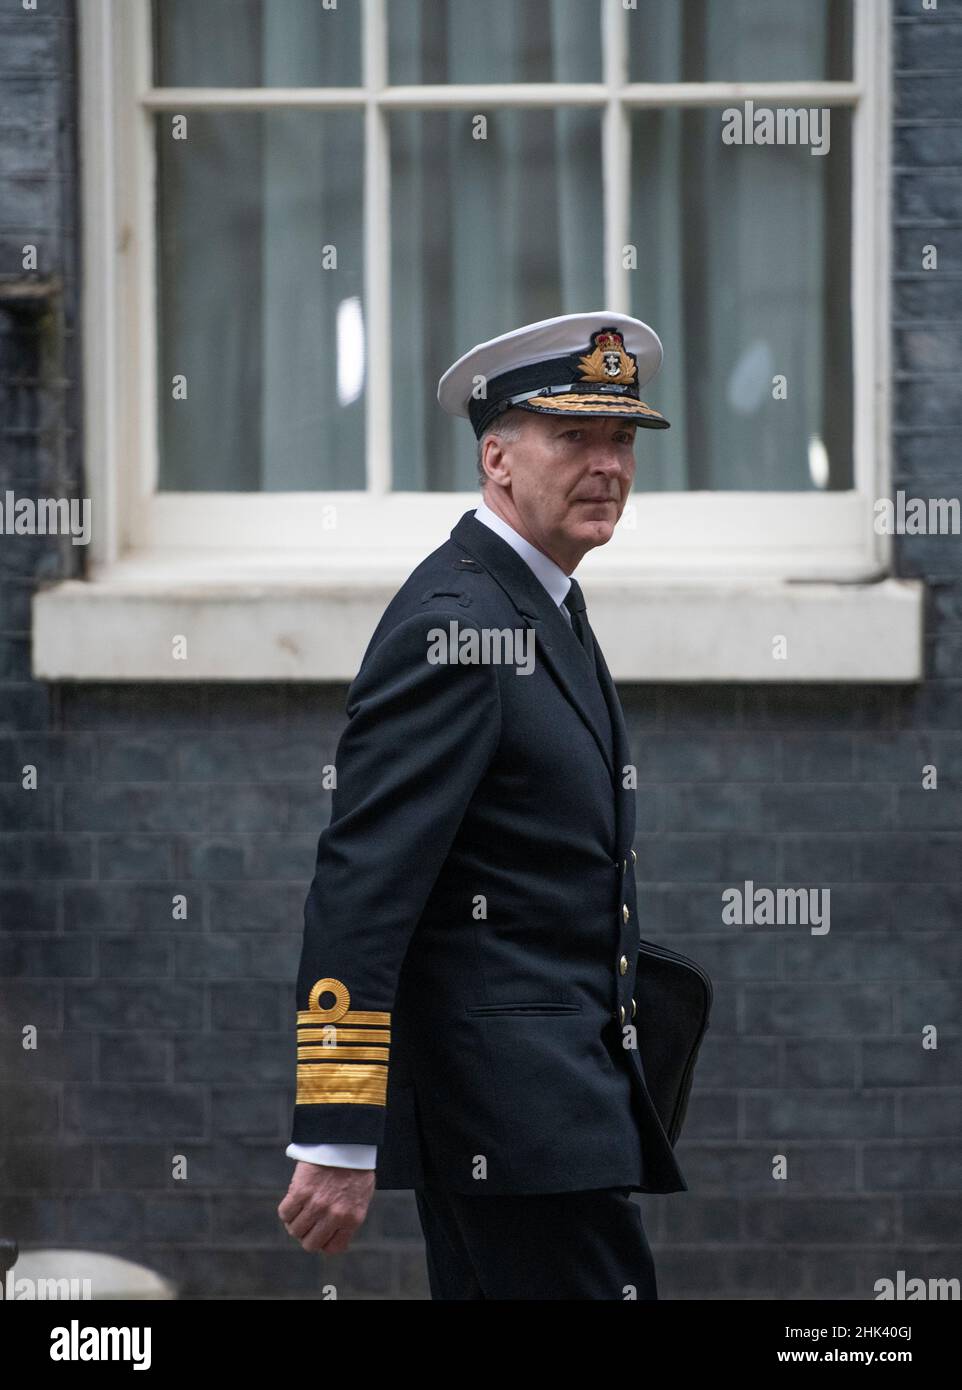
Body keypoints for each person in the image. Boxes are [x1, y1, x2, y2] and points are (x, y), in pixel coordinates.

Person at [277, 311, 688, 1300]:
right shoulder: (460, 627)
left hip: (549, 1113)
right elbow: (361, 885)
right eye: (574, 437)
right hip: (513, 1125)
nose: (607, 465)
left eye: (621, 440)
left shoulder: (541, 603)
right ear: (497, 457)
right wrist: (336, 1126)